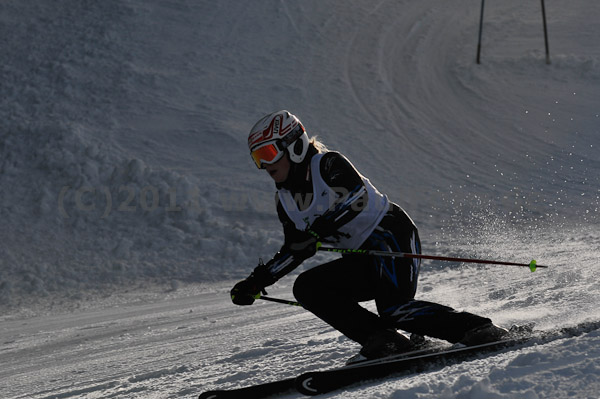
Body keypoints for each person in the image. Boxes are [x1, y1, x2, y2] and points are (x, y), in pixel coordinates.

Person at [231, 110, 507, 360]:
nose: (264, 165)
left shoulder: (327, 165)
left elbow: (356, 199)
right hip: (361, 258)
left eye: (267, 154)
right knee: (306, 287)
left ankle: (477, 328)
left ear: (294, 145)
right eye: (257, 159)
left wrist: (316, 232)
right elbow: (297, 248)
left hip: (390, 237)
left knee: (395, 309)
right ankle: (384, 340)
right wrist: (259, 280)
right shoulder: (285, 200)